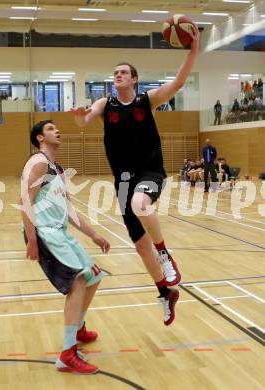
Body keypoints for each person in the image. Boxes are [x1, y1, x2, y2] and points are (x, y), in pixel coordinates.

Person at [71, 26, 200, 326]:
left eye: (123, 72)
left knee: (141, 204)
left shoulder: (146, 100)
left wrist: (193, 50)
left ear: (134, 79)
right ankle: (165, 293)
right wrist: (79, 115)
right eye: (115, 72)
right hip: (123, 181)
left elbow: (179, 81)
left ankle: (166, 255)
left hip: (150, 171)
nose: (117, 75)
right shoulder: (105, 104)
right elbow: (84, 120)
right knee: (140, 246)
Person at [21, 120, 110, 375]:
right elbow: (24, 201)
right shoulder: (38, 163)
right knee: (78, 281)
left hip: (59, 233)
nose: (56, 130)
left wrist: (94, 234)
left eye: (55, 127)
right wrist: (32, 240)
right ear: (40, 138)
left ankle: (78, 328)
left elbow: (69, 208)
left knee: (94, 276)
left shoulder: (56, 168)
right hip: (45, 234)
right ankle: (67, 354)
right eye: (50, 128)